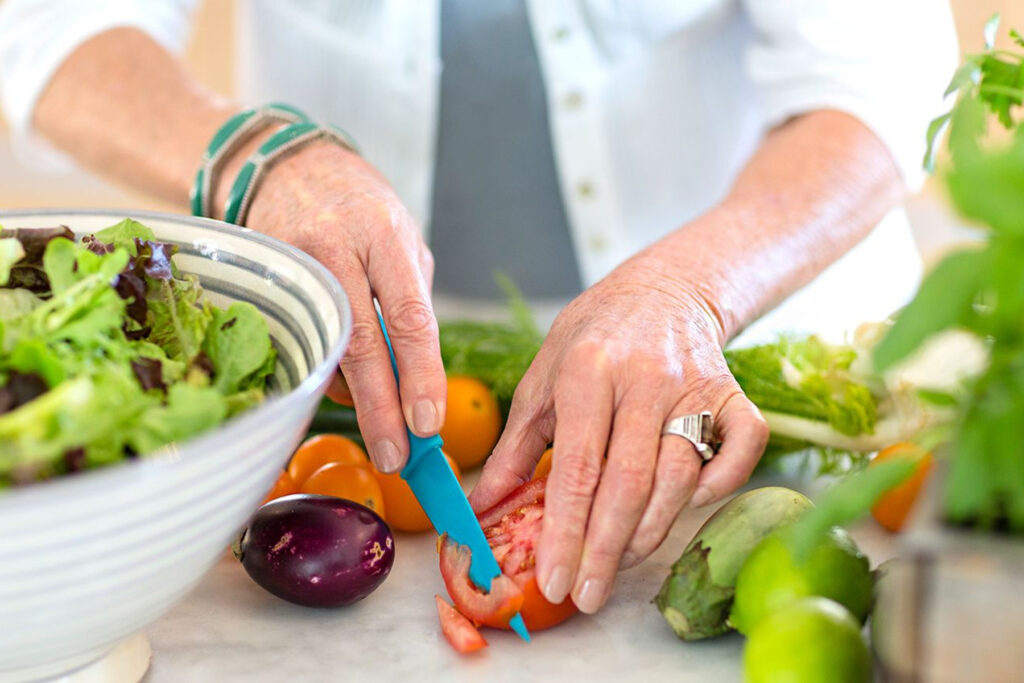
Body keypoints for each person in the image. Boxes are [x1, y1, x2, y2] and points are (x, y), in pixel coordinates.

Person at [0, 0, 956, 615]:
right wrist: (256, 155)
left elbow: (878, 79)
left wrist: (690, 289)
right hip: (397, 359)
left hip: (753, 344)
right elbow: (47, 22)